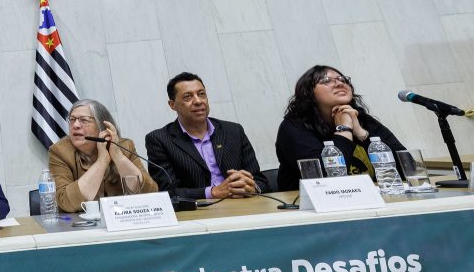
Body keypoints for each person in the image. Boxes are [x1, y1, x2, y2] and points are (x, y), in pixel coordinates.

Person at [276, 65, 406, 191]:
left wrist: (362, 134)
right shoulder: (293, 128)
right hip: (314, 207)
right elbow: (324, 179)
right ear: (308, 93)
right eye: (326, 81)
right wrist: (344, 130)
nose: (339, 83)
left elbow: (406, 167)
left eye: (342, 80)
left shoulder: (364, 121)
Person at [145, 72, 269, 201]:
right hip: (198, 213)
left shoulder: (233, 131)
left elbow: (261, 181)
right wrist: (212, 192)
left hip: (242, 205)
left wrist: (251, 187)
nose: (198, 101)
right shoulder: (159, 139)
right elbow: (167, 192)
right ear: (172, 105)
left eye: (201, 94)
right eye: (188, 97)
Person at [48, 98, 158, 213]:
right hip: (81, 225)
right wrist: (102, 160)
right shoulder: (59, 151)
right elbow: (66, 202)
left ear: (102, 125)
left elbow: (150, 194)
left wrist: (118, 156)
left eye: (84, 120)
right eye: (72, 119)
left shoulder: (125, 146)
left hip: (123, 220)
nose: (75, 125)